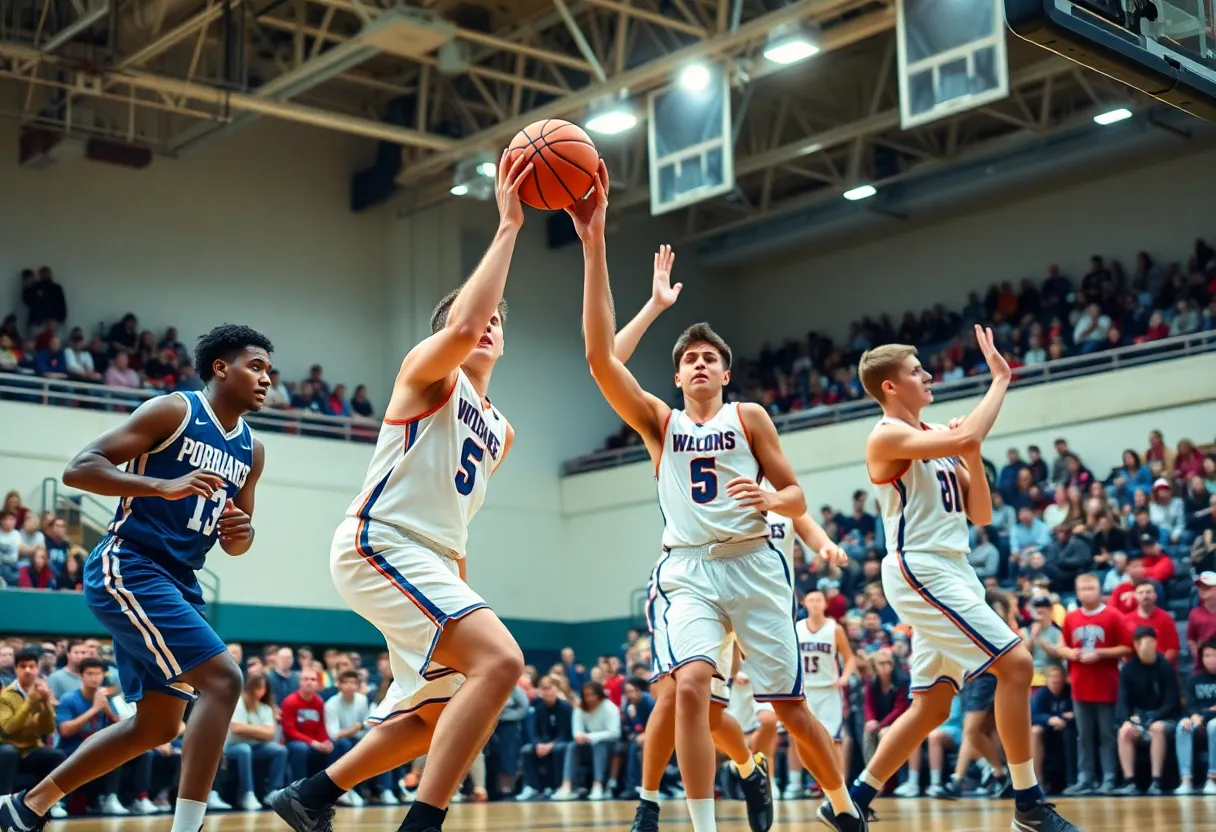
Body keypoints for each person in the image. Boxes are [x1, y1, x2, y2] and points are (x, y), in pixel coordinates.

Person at [575, 169, 856, 832]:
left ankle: (843, 808)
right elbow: (599, 360)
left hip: (757, 566)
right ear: (676, 376)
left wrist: (769, 496)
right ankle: (698, 822)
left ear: (726, 373)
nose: (700, 364)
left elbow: (795, 494)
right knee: (690, 687)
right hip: (689, 571)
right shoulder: (660, 423)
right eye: (690, 358)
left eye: (710, 357)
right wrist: (635, 291)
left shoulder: (751, 416)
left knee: (787, 710)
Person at [268, 152, 529, 832]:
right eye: (483, 313)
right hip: (378, 543)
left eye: (503, 316)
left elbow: (457, 521)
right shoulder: (428, 374)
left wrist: (461, 584)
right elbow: (464, 327)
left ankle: (311, 795)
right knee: (502, 662)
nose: (491, 322)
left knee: (434, 716)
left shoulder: (501, 430)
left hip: (430, 562)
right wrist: (507, 227)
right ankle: (423, 824)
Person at [0, 324, 270, 832]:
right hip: (130, 564)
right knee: (225, 680)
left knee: (156, 725)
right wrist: (161, 486)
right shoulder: (174, 410)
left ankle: (25, 807)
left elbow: (236, 542)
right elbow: (80, 469)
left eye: (268, 373)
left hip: (181, 581)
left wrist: (242, 530)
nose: (265, 380)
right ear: (220, 367)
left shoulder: (251, 451)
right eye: (255, 367)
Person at [841, 329, 1077, 832]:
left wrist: (968, 454)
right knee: (1015, 664)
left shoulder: (934, 439)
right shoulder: (885, 434)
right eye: (915, 370)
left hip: (955, 568)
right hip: (920, 566)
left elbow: (983, 513)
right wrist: (1000, 380)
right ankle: (1028, 803)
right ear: (889, 387)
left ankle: (854, 798)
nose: (927, 376)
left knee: (931, 705)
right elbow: (969, 434)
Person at [1113, 627, 1181, 795]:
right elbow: (1122, 700)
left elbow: (1172, 702)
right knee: (1124, 731)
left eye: (1152, 643)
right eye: (1145, 643)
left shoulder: (1165, 667)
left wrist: (1153, 719)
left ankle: (1156, 781)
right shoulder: (1128, 669)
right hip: (1139, 717)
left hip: (1165, 718)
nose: (1150, 647)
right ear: (1136, 645)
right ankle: (1130, 781)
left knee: (1156, 729)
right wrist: (1127, 721)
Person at [0, 650, 65, 808]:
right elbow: (8, 729)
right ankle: (4, 801)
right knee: (9, 752)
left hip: (31, 750)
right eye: (23, 666)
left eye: (32, 666)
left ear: (37, 669)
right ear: (16, 669)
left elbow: (48, 729)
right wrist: (29, 703)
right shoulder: (5, 696)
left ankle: (51, 803)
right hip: (7, 748)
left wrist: (45, 705)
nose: (28, 670)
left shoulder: (41, 692)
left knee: (56, 755)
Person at [1176, 639, 1216, 794]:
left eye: (1214, 656)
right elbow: (1191, 706)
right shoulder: (1194, 678)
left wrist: (1202, 715)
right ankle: (1185, 780)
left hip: (1209, 722)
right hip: (1198, 721)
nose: (1211, 660)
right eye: (1207, 656)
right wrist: (1191, 717)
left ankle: (1212, 778)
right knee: (1182, 727)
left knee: (1214, 726)